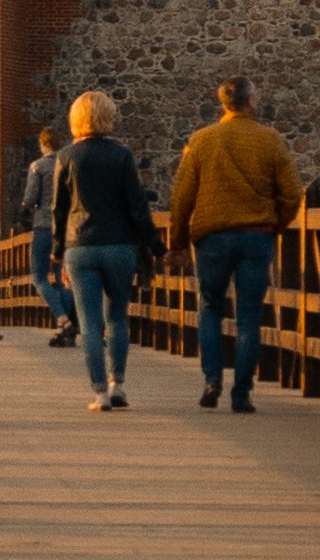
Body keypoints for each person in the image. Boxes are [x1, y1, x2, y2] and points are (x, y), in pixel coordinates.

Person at [169, 70, 306, 413]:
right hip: (255, 237)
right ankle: (241, 393)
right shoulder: (270, 139)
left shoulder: (201, 140)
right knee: (248, 317)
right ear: (249, 101)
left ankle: (212, 380)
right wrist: (277, 225)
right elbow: (292, 193)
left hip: (212, 238)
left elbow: (182, 196)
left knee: (210, 309)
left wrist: (177, 243)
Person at [56, 90, 157, 412]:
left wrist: (57, 251)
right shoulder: (122, 155)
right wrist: (156, 246)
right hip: (119, 247)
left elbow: (58, 211)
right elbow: (137, 207)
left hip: (80, 247)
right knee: (117, 318)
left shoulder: (67, 156)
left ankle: (99, 393)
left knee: (89, 322)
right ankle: (118, 384)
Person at [22, 123, 72, 343]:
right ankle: (66, 330)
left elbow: (31, 197)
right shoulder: (68, 164)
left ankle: (63, 320)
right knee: (61, 280)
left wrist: (24, 205)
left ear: (42, 144)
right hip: (65, 227)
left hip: (43, 225)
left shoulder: (38, 166)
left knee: (39, 277)